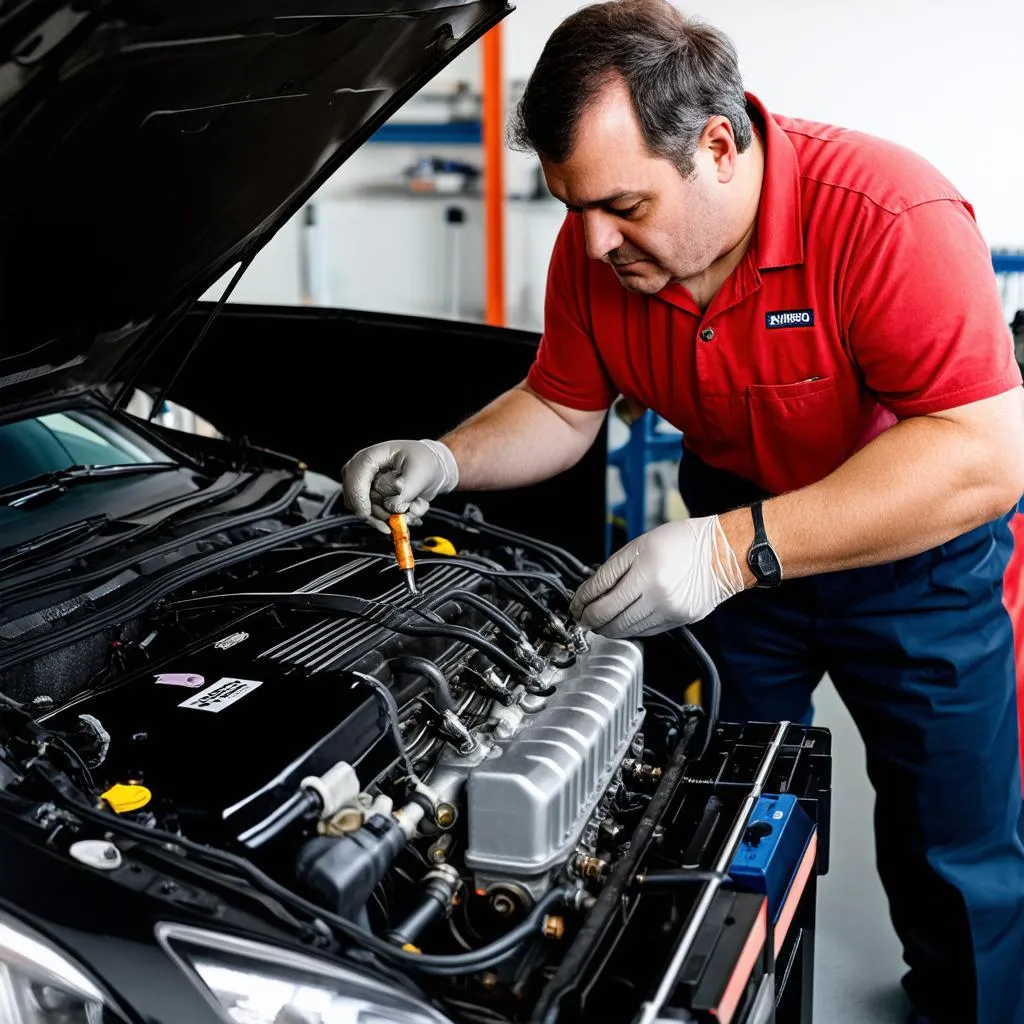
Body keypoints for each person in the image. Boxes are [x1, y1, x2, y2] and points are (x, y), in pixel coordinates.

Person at [340, 2, 1024, 1021]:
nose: (594, 240)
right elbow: (561, 406)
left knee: (953, 840)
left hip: (913, 562)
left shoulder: (886, 215)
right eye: (573, 207)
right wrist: (448, 456)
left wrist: (727, 553)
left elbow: (985, 451)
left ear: (716, 146)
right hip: (733, 566)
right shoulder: (598, 252)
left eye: (621, 204)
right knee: (719, 816)